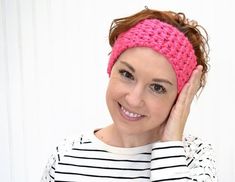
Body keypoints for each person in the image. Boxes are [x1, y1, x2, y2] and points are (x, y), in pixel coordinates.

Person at [41, 7, 217, 182]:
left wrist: (170, 146)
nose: (133, 99)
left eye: (157, 87)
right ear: (111, 68)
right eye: (127, 74)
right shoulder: (66, 156)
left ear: (179, 98)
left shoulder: (195, 159)